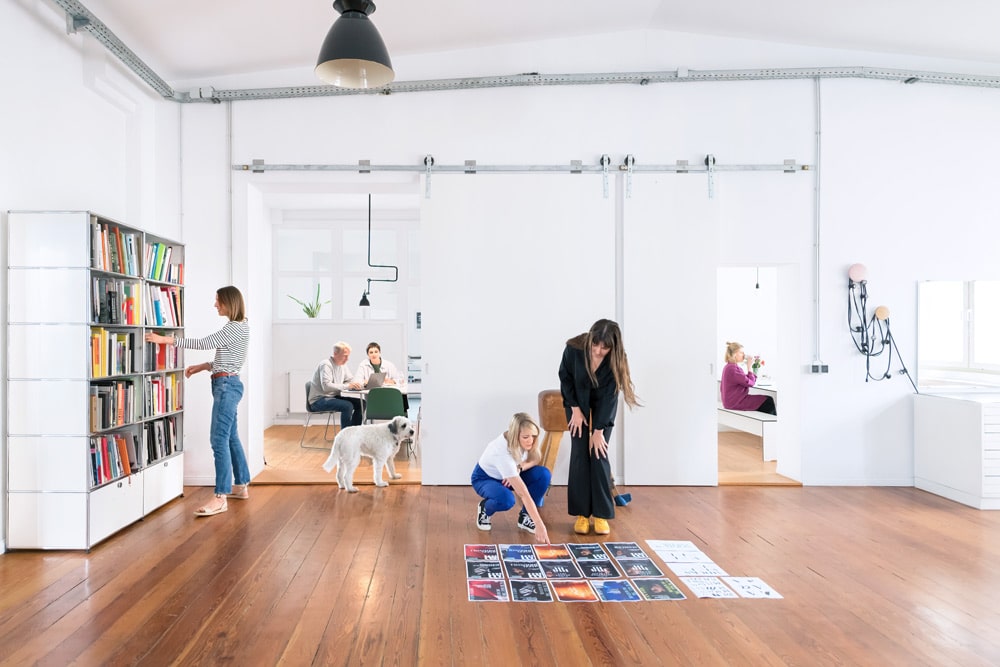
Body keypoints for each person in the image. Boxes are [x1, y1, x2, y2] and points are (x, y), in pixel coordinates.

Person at [144, 285, 250, 517]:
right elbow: (228, 360)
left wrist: (166, 340)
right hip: (228, 384)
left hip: (226, 387)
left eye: (218, 301)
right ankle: (241, 485)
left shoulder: (233, 327)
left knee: (218, 440)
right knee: (230, 437)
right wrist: (204, 367)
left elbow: (204, 342)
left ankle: (220, 496)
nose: (215, 305)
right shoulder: (242, 326)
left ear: (229, 303)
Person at [559, 318, 640, 537]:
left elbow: (609, 399)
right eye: (595, 345)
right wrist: (574, 407)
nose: (598, 350)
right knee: (580, 454)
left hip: (602, 408)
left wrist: (598, 431)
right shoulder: (573, 349)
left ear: (613, 347)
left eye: (604, 347)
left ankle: (601, 514)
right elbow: (565, 378)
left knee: (598, 453)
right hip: (576, 403)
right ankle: (582, 514)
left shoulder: (616, 360)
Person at [471, 412, 551, 544]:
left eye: (534, 436)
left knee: (544, 474)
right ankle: (485, 508)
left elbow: (536, 458)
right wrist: (539, 523)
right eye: (526, 437)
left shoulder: (528, 441)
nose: (531, 440)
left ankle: (525, 516)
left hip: (510, 474)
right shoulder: (502, 454)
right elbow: (523, 494)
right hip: (485, 478)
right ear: (515, 435)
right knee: (506, 500)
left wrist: (519, 468)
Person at [307, 341, 364, 428]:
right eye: (345, 355)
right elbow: (326, 386)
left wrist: (362, 383)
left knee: (362, 403)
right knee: (347, 406)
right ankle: (344, 437)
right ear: (335, 353)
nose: (347, 358)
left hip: (333, 397)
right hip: (318, 401)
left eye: (348, 356)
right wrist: (348, 386)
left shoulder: (342, 365)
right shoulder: (326, 364)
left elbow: (350, 380)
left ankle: (353, 433)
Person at [720, 341, 776, 415]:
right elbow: (751, 383)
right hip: (736, 402)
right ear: (735, 354)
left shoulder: (728, 367)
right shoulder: (733, 368)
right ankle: (773, 425)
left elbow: (746, 380)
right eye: (741, 352)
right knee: (768, 400)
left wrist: (752, 373)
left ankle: (765, 424)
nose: (743, 355)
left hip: (730, 401)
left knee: (766, 401)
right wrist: (749, 367)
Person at [356, 341, 409, 412]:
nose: (374, 354)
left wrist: (391, 381)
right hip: (373, 394)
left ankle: (403, 415)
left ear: (379, 353)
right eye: (371, 352)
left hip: (388, 393)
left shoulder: (389, 365)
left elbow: (399, 379)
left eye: (376, 351)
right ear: (368, 354)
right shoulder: (363, 365)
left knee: (402, 396)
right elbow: (357, 381)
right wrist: (365, 382)